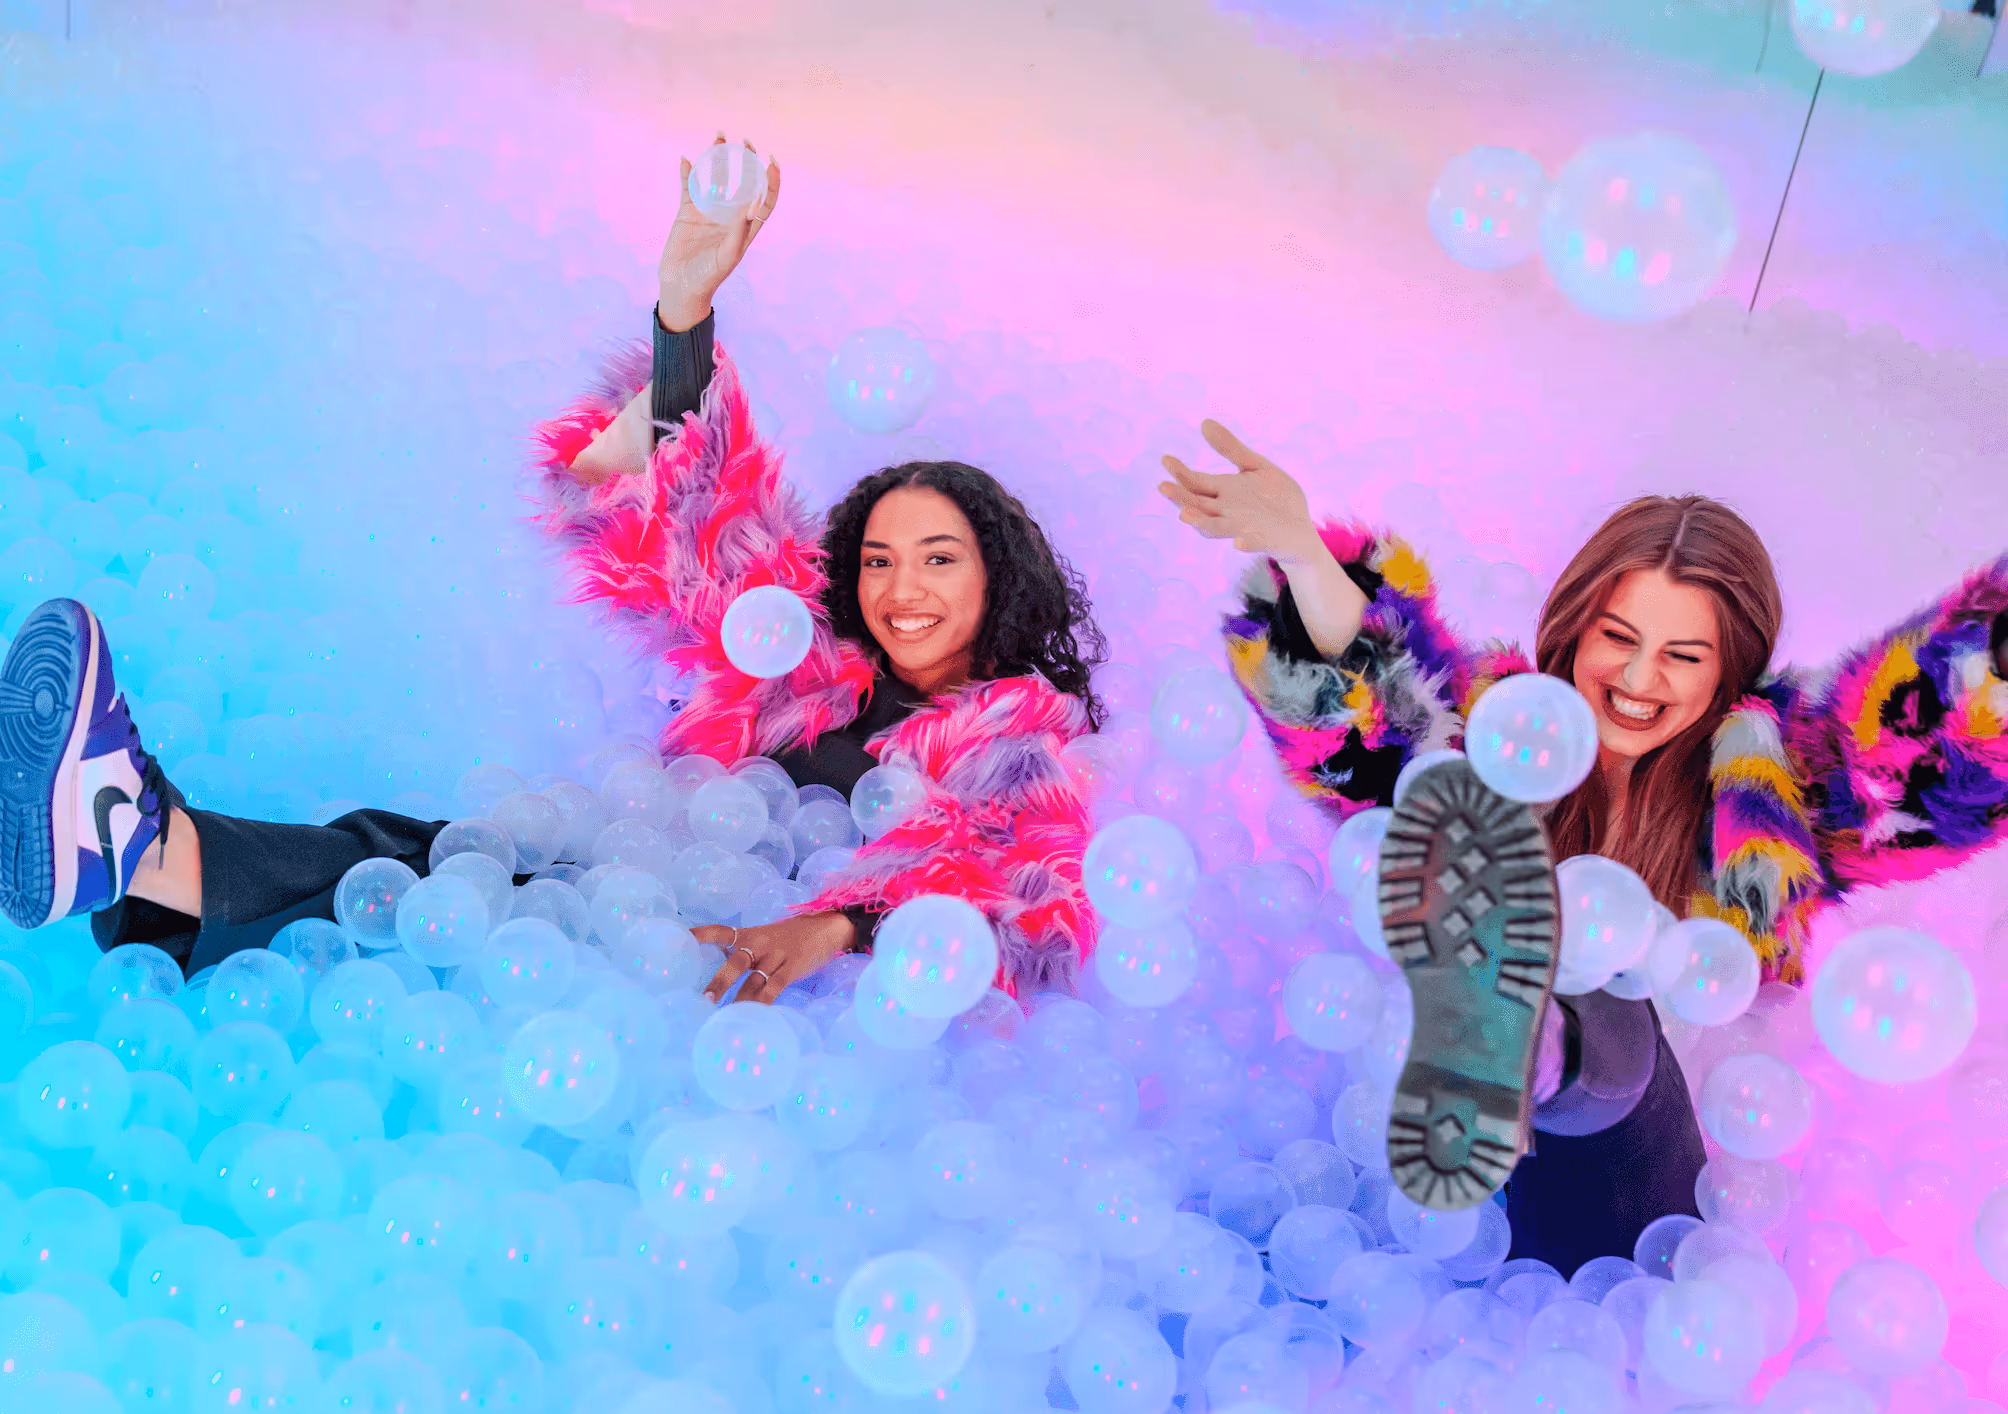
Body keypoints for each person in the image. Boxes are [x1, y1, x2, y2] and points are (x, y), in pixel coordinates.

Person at [0, 135, 1107, 1004]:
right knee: (437, 856)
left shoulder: (1024, 743)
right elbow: (679, 511)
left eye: (937, 559)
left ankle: (133, 847)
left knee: (468, 888)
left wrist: (835, 927)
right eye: (876, 558)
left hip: (756, 986)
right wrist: (684, 312)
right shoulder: (799, 666)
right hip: (638, 907)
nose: (899, 587)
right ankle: (134, 849)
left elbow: (1025, 905)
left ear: (997, 577)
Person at [1161, 420, 2008, 1274]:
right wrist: (1307, 556)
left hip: (1647, 1208)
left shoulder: (1773, 796)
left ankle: (1533, 1046)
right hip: (1450, 1188)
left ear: (1729, 669)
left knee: (1607, 990)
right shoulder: (1498, 736)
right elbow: (1380, 728)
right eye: (1618, 638)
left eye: (1683, 655)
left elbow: (1917, 747)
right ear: (1575, 626)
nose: (1640, 682)